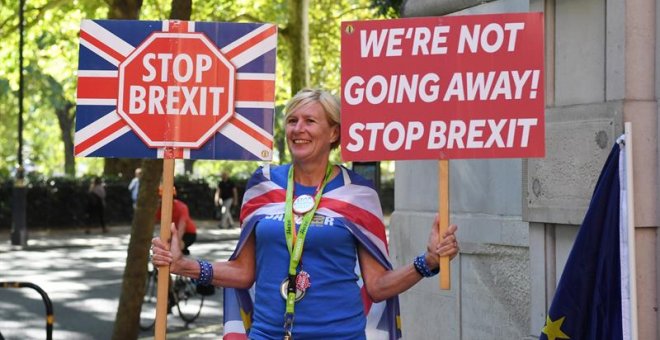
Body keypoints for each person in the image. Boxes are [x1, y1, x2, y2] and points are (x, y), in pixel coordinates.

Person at [151, 88, 460, 339]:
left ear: (334, 133)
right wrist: (184, 265)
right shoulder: (263, 184)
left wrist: (428, 262)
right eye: (292, 120)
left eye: (310, 121)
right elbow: (244, 273)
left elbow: (377, 287)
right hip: (268, 334)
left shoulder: (359, 194)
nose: (298, 129)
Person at [155, 187, 197, 256]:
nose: (160, 200)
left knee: (175, 248)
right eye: (159, 198)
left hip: (188, 233)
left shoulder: (181, 207)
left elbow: (182, 227)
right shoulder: (160, 209)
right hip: (173, 233)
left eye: (161, 198)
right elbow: (155, 221)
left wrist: (176, 242)